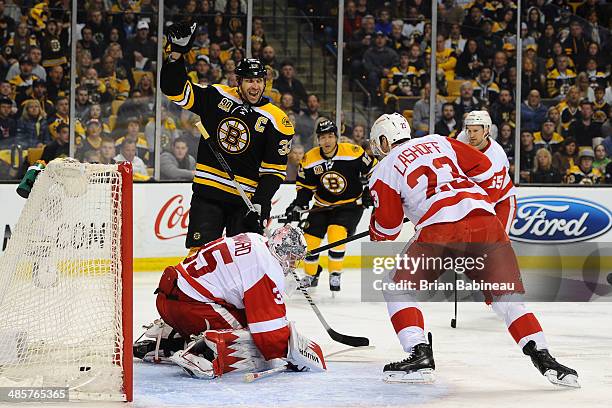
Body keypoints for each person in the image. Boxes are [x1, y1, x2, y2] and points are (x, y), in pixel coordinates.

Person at [366, 113, 579, 387]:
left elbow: (387, 229)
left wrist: (380, 219)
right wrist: (453, 192)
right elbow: (485, 167)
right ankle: (545, 357)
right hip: (486, 221)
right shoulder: (440, 141)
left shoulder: (384, 169)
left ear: (384, 140)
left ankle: (419, 354)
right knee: (508, 299)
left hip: (441, 230)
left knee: (396, 287)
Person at [162, 23, 294, 250]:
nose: (255, 86)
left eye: (259, 81)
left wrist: (262, 203)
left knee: (242, 264)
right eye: (249, 80)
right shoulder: (216, 96)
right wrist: (176, 55)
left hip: (245, 202)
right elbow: (175, 90)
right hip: (208, 193)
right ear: (238, 81)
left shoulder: (277, 121)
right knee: (199, 258)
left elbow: (274, 171)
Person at [133, 225, 326, 378]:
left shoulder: (255, 238)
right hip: (191, 308)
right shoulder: (266, 270)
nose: (292, 264)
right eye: (292, 258)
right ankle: (203, 354)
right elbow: (270, 338)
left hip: (170, 298)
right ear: (282, 251)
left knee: (246, 317)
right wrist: (295, 353)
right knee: (253, 339)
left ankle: (169, 339)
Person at [284, 119, 377, 292]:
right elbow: (305, 188)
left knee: (336, 233)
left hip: (350, 205)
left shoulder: (353, 152)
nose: (327, 141)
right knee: (310, 239)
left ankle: (335, 273)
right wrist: (298, 204)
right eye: (323, 137)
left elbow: (375, 171)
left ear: (336, 137)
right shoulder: (309, 159)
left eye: (330, 136)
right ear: (318, 139)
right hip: (321, 205)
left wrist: (368, 192)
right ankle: (311, 275)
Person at [456, 111, 517, 232]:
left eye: (476, 131)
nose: (471, 135)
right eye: (469, 130)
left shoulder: (496, 158)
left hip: (500, 201)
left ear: (486, 131)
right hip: (475, 193)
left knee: (495, 244)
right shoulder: (463, 138)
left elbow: (490, 202)